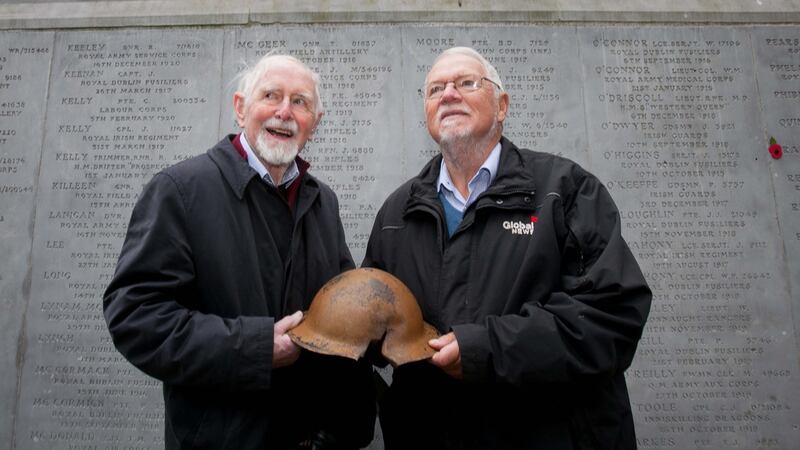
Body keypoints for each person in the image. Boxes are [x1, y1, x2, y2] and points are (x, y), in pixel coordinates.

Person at [362, 46, 652, 449]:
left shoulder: (564, 190)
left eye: (466, 83)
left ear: (502, 106)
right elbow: (376, 326)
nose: (448, 95)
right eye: (435, 89)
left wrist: (487, 348)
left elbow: (612, 315)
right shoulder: (397, 212)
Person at [104, 54, 375, 450]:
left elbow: (340, 308)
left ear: (314, 124)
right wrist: (254, 347)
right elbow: (135, 316)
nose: (284, 112)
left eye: (300, 102)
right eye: (270, 96)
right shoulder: (180, 191)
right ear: (240, 108)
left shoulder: (322, 202)